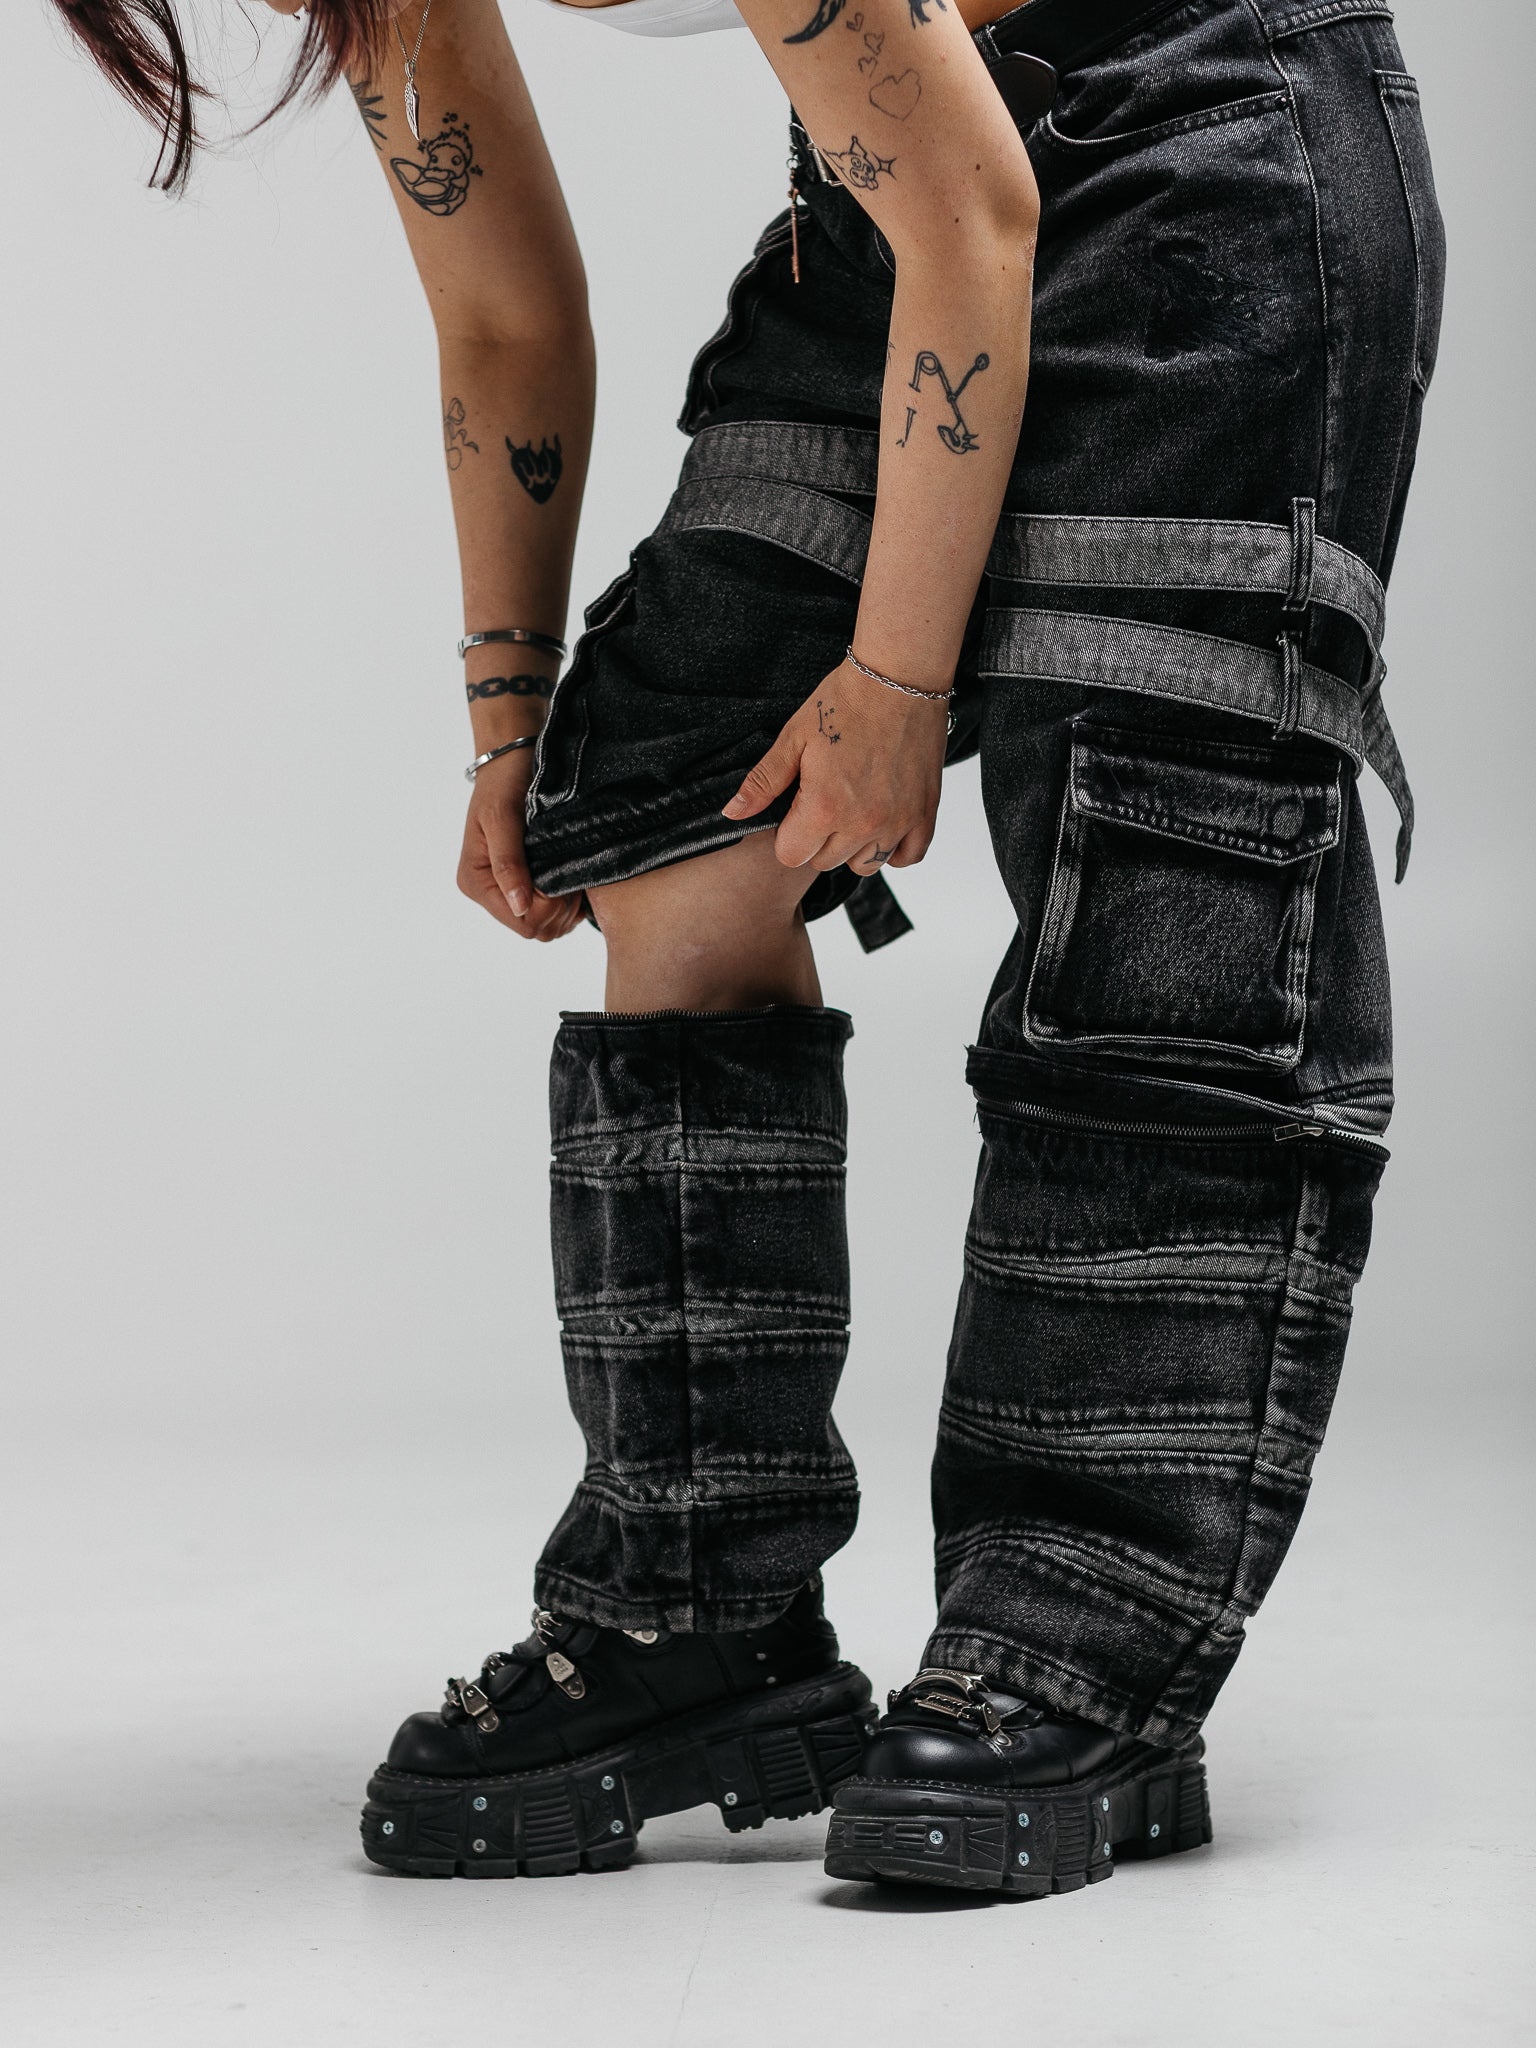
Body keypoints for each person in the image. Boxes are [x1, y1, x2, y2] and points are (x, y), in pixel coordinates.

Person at [56, 0, 1443, 1896]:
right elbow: (503, 317)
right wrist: (508, 723)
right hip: (898, 191)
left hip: (1211, 145)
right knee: (670, 812)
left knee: (1150, 836)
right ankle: (702, 1609)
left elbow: (980, 218)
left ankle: (1076, 1636)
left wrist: (897, 682)